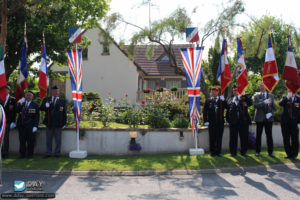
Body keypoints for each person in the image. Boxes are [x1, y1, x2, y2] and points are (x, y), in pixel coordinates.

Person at [40, 85, 67, 158]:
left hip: (58, 123)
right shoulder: (47, 99)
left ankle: (57, 153)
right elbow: (41, 108)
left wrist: (64, 122)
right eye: (54, 91)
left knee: (58, 140)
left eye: (57, 91)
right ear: (52, 92)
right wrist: (45, 105)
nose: (56, 92)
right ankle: (48, 152)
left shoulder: (62, 101)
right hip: (49, 122)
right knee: (48, 139)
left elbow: (64, 113)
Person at [226, 86, 252, 157]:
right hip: (233, 122)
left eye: (237, 90)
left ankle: (243, 152)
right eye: (234, 90)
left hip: (243, 122)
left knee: (244, 137)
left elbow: (250, 103)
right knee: (233, 138)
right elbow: (228, 111)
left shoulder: (243, 98)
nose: (235, 92)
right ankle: (233, 152)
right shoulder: (230, 100)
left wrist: (244, 95)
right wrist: (228, 120)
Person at [203, 87, 228, 157]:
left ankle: (218, 152)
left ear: (218, 92)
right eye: (212, 91)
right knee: (212, 137)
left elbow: (228, 107)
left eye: (215, 91)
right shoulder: (208, 101)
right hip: (212, 122)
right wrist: (206, 120)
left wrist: (224, 100)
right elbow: (205, 111)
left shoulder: (221, 100)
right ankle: (212, 151)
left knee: (219, 137)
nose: (213, 93)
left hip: (220, 122)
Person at [253, 83, 276, 157]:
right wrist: (263, 102)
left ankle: (270, 152)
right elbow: (255, 105)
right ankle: (257, 151)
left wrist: (271, 114)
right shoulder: (256, 96)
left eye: (263, 86)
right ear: (259, 87)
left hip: (268, 118)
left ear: (266, 86)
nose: (262, 87)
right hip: (260, 118)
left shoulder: (271, 95)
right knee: (258, 135)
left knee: (269, 135)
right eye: (261, 86)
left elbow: (274, 107)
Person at [16, 91, 40, 158]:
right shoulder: (22, 104)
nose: (28, 97)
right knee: (22, 142)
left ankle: (30, 155)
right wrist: (19, 103)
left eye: (30, 95)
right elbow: (17, 111)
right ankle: (22, 154)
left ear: (32, 97)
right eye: (27, 95)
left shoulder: (35, 105)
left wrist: (35, 126)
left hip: (30, 126)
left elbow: (37, 116)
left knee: (30, 142)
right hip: (22, 126)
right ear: (25, 96)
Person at [279, 89, 300, 161]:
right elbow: (280, 104)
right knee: (286, 138)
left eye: (293, 89)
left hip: (294, 122)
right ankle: (288, 153)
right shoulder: (284, 97)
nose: (292, 91)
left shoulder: (298, 99)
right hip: (285, 122)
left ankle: (294, 154)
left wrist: (299, 123)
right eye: (290, 90)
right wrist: (288, 97)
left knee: (295, 138)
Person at [1, 86, 16, 158]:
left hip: (8, 121)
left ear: (9, 91)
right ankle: (1, 152)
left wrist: (13, 121)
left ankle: (5, 153)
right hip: (1, 121)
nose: (5, 91)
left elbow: (14, 111)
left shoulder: (13, 100)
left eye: (6, 90)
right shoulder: (0, 99)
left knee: (5, 137)